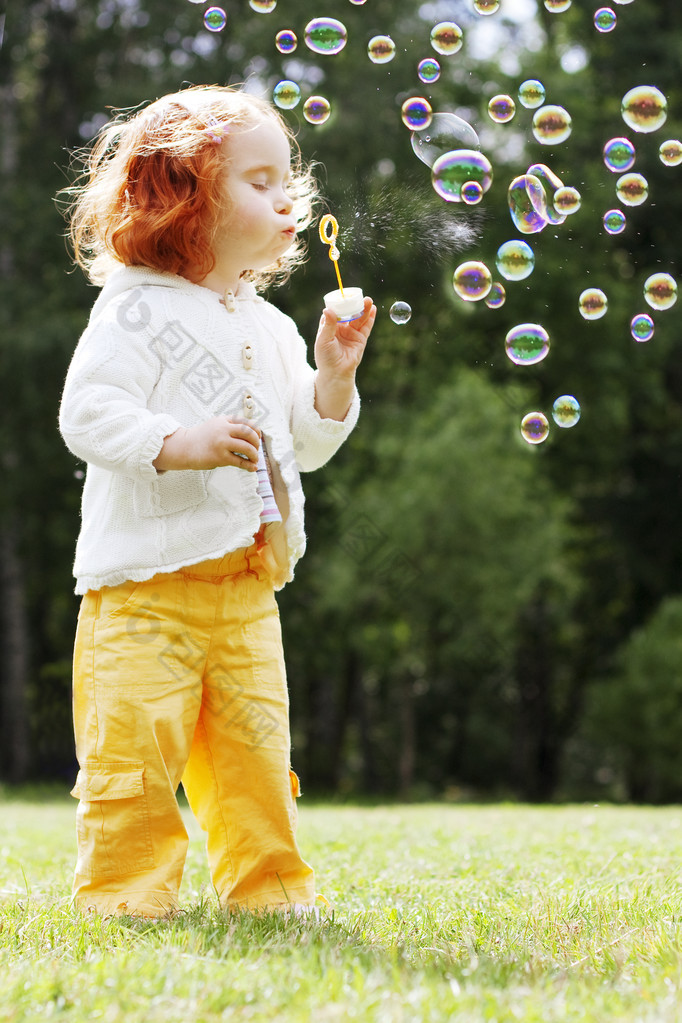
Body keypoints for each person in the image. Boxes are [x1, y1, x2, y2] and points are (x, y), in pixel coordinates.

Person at [58, 84, 376, 919]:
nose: (286, 197)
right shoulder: (136, 307)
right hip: (145, 591)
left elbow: (304, 442)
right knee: (133, 752)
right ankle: (126, 896)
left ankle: (267, 893)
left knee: (256, 757)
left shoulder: (266, 324)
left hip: (245, 590)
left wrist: (333, 377)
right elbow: (87, 413)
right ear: (184, 195)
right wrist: (176, 442)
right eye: (259, 179)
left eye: (287, 182)